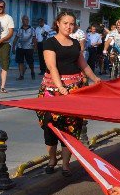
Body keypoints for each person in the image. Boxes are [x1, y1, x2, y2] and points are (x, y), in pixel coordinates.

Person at [38, 11, 101, 176]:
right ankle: (52, 160)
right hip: (52, 91)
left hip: (75, 90)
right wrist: (60, 87)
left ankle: (66, 164)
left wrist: (95, 79)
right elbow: (52, 67)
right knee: (50, 127)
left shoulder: (75, 43)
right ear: (58, 23)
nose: (68, 26)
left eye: (72, 23)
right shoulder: (49, 42)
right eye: (65, 23)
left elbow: (83, 64)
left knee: (71, 128)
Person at [14, 15, 37, 80]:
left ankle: (32, 71)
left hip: (29, 48)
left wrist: (35, 47)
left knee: (30, 62)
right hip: (20, 47)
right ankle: (21, 75)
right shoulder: (19, 29)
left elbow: (34, 39)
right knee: (20, 62)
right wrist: (13, 47)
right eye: (25, 19)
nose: (26, 21)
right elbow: (16, 38)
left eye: (27, 20)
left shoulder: (32, 29)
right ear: (22, 21)